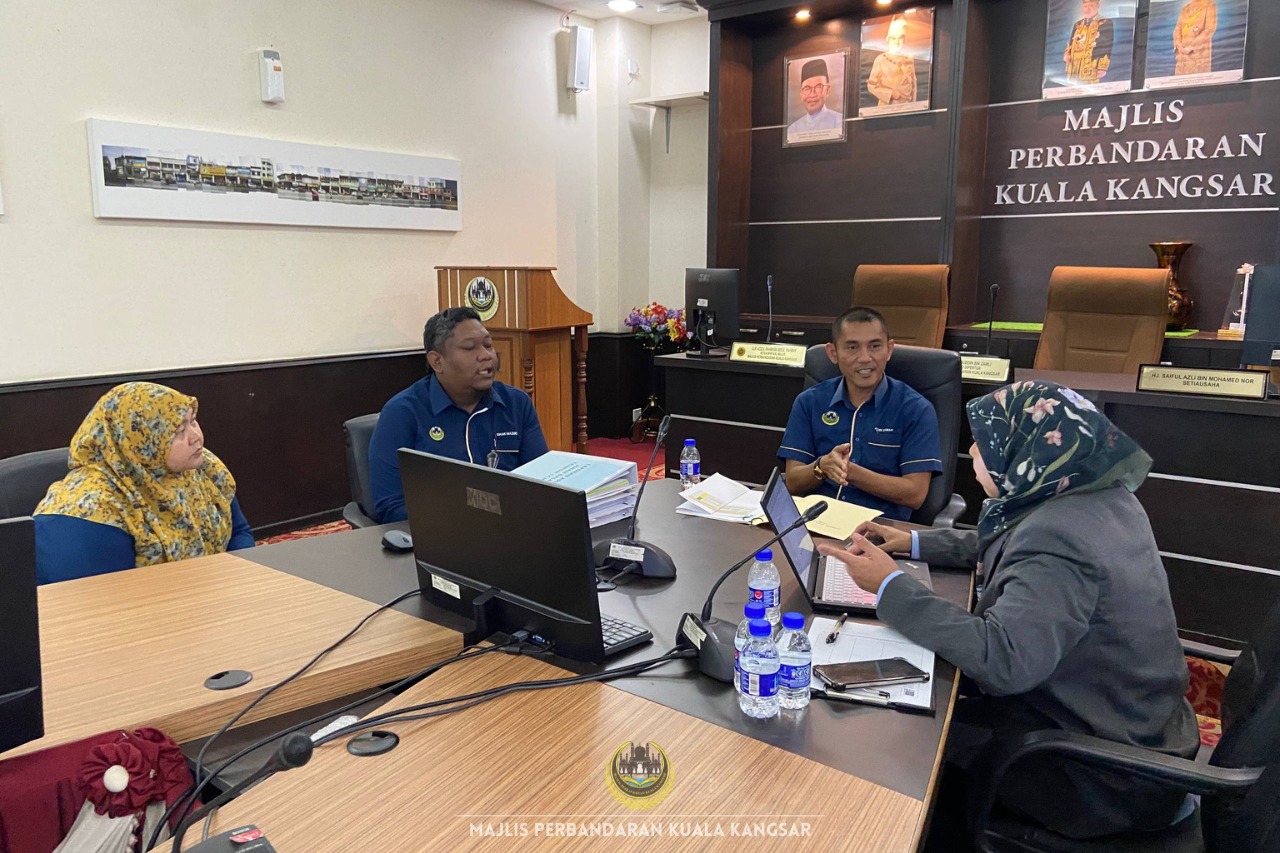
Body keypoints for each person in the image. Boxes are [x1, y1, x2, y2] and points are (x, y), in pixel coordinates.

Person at [821, 381, 1199, 840]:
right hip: (1132, 722)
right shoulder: (1095, 494)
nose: (972, 452)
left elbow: (1002, 660)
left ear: (1029, 450)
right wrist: (915, 542)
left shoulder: (1059, 539)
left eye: (985, 442)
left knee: (893, 746)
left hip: (1093, 774)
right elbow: (1015, 540)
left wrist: (888, 585)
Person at [33, 382, 254, 585]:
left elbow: (238, 532)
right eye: (179, 431)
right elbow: (94, 601)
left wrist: (237, 582)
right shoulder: (90, 511)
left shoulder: (201, 467)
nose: (195, 436)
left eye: (193, 421)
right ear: (140, 444)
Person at [368, 306, 548, 523]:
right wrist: (460, 521)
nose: (486, 356)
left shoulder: (517, 404)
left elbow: (542, 484)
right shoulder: (402, 413)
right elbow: (391, 505)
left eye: (488, 345)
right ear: (437, 361)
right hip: (439, 533)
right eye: (470, 348)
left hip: (512, 527)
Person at [777, 307, 942, 522]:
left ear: (889, 349)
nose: (865, 358)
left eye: (875, 346)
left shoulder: (916, 409)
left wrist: (851, 472)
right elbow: (793, 481)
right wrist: (821, 467)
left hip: (880, 528)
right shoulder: (809, 402)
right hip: (816, 523)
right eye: (852, 347)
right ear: (833, 353)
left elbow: (915, 494)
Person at [786, 57, 844, 141]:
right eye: (807, 89)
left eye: (818, 87)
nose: (812, 94)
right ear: (801, 94)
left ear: (827, 90)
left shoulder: (840, 122)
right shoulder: (793, 130)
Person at [866, 15, 918, 107]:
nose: (897, 42)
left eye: (900, 38)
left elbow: (913, 84)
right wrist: (891, 93)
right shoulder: (881, 59)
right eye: (894, 38)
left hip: (907, 106)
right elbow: (871, 85)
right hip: (887, 107)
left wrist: (913, 105)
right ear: (888, 39)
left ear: (904, 39)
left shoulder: (909, 58)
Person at [1062, 0, 1113, 85]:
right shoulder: (1077, 24)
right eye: (1085, 6)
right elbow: (1071, 44)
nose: (1087, 9)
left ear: (1097, 6)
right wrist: (1067, 54)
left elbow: (1106, 45)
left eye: (1091, 6)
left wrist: (1102, 67)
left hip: (1091, 65)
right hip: (1074, 66)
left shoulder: (1105, 23)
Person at [1174, 0, 1217, 76]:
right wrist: (1179, 46)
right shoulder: (1185, 9)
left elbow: (1209, 29)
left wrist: (1192, 46)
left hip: (1198, 55)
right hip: (1182, 56)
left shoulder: (1210, 5)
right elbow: (1177, 29)